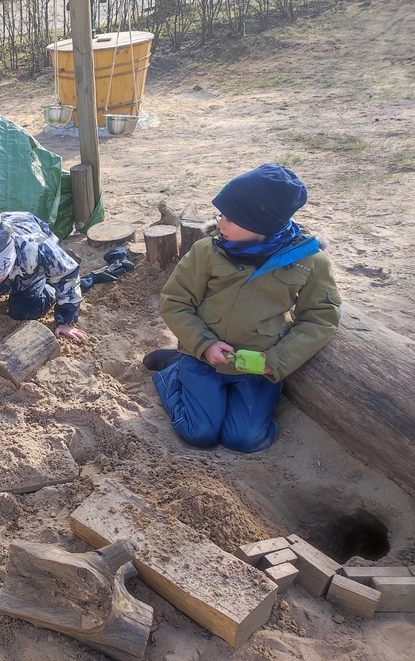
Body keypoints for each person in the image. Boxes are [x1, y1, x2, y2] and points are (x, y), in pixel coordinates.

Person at [143, 163, 341, 453]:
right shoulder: (208, 250)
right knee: (199, 433)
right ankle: (173, 370)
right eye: (221, 215)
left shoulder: (308, 260)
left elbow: (321, 317)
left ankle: (192, 374)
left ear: (261, 225)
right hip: (203, 357)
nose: (220, 224)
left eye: (230, 219)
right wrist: (203, 344)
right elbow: (175, 300)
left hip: (257, 365)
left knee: (245, 440)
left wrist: (277, 360)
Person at [0, 211, 88, 373]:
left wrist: (66, 322)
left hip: (28, 271)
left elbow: (68, 276)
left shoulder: (38, 250)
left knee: (22, 310)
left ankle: (48, 280)